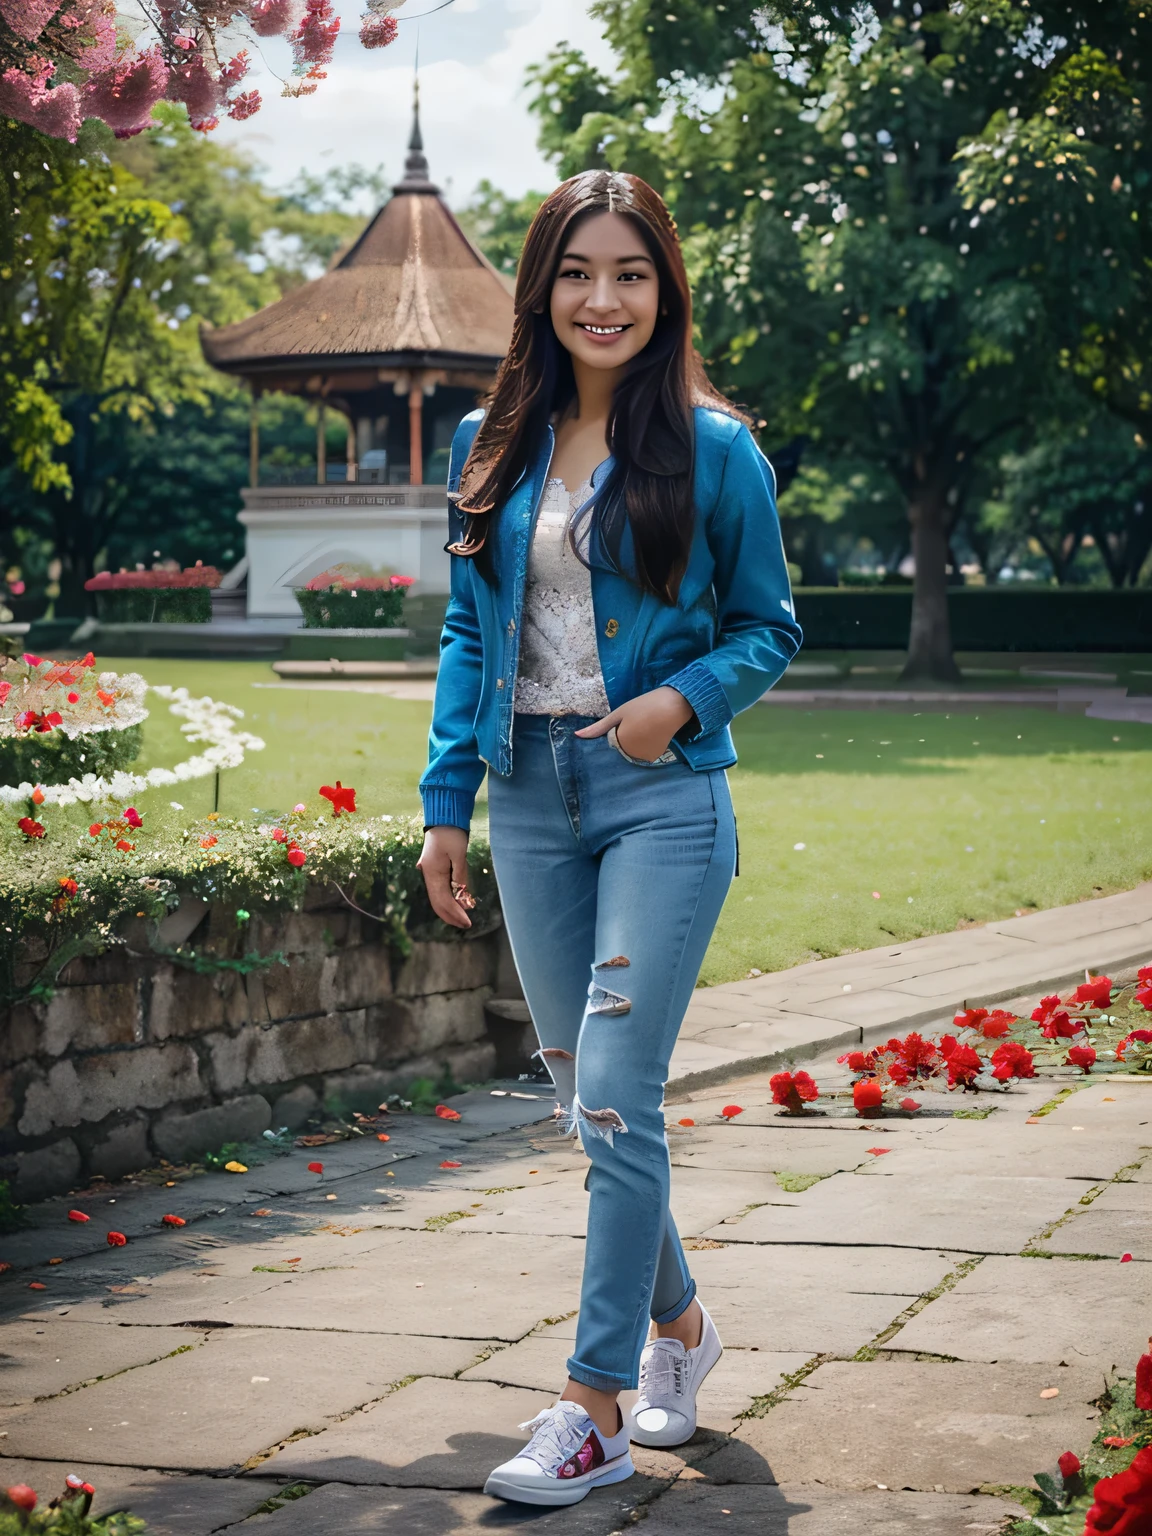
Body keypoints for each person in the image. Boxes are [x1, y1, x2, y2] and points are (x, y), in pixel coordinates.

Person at [417, 168, 801, 1508]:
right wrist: (444, 803)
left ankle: (589, 1403)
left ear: (664, 290)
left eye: (630, 273)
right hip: (527, 797)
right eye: (578, 272)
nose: (602, 297)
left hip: (663, 802)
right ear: (543, 288)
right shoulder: (491, 440)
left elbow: (772, 626)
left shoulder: (717, 450)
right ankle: (686, 1330)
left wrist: (673, 704)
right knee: (594, 1104)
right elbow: (471, 634)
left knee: (612, 1094)